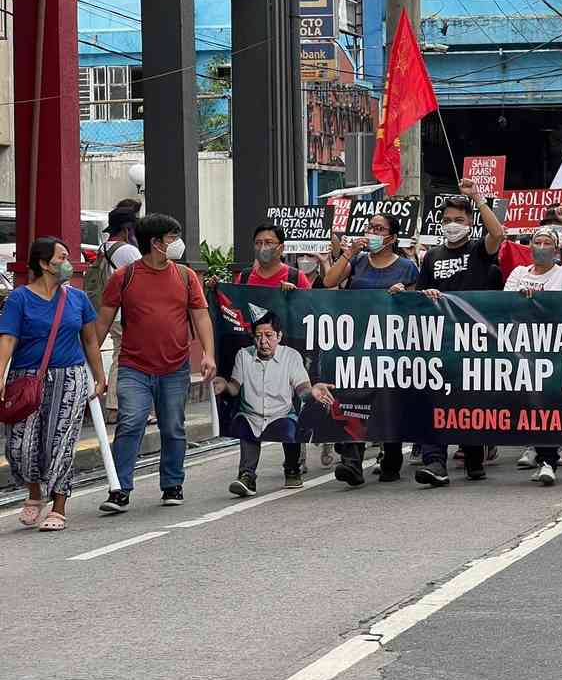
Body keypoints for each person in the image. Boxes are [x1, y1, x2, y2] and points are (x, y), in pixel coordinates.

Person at [93, 213, 216, 512]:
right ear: (155, 243)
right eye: (172, 238)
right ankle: (119, 488)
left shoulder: (185, 277)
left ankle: (172, 484)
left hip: (174, 369)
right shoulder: (125, 277)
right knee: (130, 424)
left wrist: (209, 354)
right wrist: (89, 360)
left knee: (173, 427)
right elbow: (103, 320)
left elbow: (200, 315)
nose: (177, 244)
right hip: (134, 368)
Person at [0, 238, 107, 531]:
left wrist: (99, 376)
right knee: (20, 446)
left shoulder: (77, 299)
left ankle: (58, 507)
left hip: (69, 377)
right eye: (62, 257)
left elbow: (89, 340)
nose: (69, 262)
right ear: (44, 264)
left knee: (60, 443)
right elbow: (8, 338)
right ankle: (35, 495)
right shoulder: (19, 299)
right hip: (25, 378)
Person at [416, 179, 506, 486]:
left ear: (470, 223)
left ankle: (473, 455)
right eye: (447, 220)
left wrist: (478, 199)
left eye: (459, 220)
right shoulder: (431, 256)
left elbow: (499, 234)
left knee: (468, 400)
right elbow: (421, 292)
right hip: (441, 339)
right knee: (437, 398)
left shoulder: (479, 250)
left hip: (474, 341)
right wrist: (419, 293)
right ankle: (435, 462)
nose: (452, 225)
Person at [322, 212, 420, 485]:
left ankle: (391, 457)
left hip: (392, 344)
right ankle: (352, 461)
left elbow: (419, 306)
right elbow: (329, 282)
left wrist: (405, 294)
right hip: (357, 343)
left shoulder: (407, 268)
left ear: (392, 237)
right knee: (353, 396)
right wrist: (348, 253)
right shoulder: (358, 262)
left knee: (387, 399)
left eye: (379, 228)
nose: (373, 232)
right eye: (370, 227)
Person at [507, 196, 562, 486]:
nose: (541, 247)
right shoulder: (518, 273)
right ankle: (541, 453)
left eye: (547, 243)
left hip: (555, 349)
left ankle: (548, 460)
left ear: (558, 249)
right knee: (530, 404)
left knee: (550, 404)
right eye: (536, 242)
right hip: (522, 348)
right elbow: (504, 303)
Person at [214, 311, 334, 495]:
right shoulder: (243, 356)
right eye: (258, 336)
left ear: (279, 336)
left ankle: (292, 469)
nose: (263, 342)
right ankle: (247, 476)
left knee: (290, 427)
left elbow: (302, 390)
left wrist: (313, 391)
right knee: (243, 424)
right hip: (251, 416)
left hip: (281, 415)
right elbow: (235, 387)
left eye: (269, 336)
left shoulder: (291, 356)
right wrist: (224, 386)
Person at [89, 203, 143, 424]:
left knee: (119, 355)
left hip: (107, 312)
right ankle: (115, 407)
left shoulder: (103, 248)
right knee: (126, 357)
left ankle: (115, 406)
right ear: (127, 229)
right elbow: (145, 275)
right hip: (124, 313)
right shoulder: (128, 250)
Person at [232, 223, 313, 289]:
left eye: (268, 242)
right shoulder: (244, 277)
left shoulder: (296, 277)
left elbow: (310, 306)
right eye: (258, 243)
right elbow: (232, 306)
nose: (263, 248)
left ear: (281, 248)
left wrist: (296, 295)